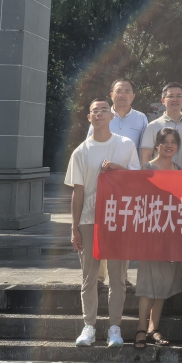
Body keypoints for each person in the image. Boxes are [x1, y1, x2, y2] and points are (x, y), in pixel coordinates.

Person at [65, 98, 140, 348]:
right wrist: (74, 227)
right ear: (89, 118)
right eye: (94, 111)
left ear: (111, 116)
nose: (99, 114)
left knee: (117, 278)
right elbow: (77, 192)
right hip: (90, 220)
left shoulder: (125, 145)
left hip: (118, 220)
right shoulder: (81, 151)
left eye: (103, 110)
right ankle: (89, 326)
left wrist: (117, 168)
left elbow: (137, 180)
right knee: (89, 277)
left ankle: (114, 328)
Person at [133, 127, 182, 349]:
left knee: (163, 283)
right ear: (157, 145)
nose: (169, 145)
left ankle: (154, 328)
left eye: (173, 142)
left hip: (171, 232)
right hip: (150, 232)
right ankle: (140, 328)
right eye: (165, 141)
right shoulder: (147, 168)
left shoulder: (180, 170)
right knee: (148, 283)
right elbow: (139, 200)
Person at [140, 82, 182, 169]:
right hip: (160, 175)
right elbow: (146, 157)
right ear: (163, 100)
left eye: (178, 96)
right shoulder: (153, 126)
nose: (175, 99)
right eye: (171, 96)